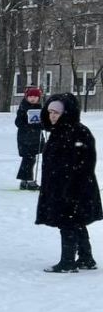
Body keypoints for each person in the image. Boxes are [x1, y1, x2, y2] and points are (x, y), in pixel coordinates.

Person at [36, 93, 101, 273]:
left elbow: (86, 162)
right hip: (61, 186)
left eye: (56, 112)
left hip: (73, 188)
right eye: (50, 112)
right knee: (76, 221)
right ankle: (86, 258)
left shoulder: (78, 132)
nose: (52, 116)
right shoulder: (59, 132)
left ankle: (67, 262)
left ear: (66, 112)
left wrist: (70, 187)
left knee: (68, 223)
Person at [15, 86, 44, 191]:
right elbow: (18, 122)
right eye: (31, 96)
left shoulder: (40, 108)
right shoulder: (23, 108)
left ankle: (24, 181)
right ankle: (29, 181)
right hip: (25, 138)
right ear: (27, 97)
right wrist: (30, 126)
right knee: (29, 158)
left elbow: (44, 121)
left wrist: (43, 125)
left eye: (35, 97)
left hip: (36, 137)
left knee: (30, 159)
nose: (33, 99)